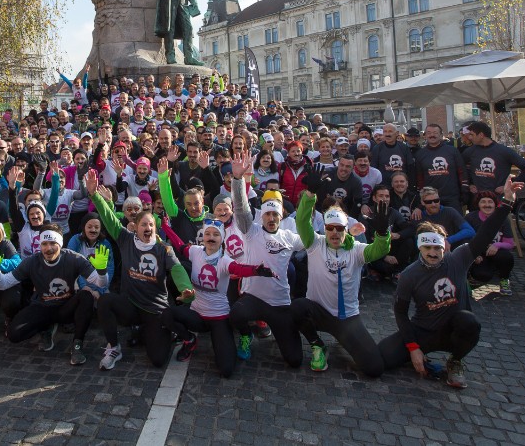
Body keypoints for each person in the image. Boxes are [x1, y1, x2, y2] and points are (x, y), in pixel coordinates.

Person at [378, 178, 525, 388]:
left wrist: (507, 202)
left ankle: (456, 361)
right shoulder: (410, 274)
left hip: (454, 330)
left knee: (469, 322)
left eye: (437, 248)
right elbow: (400, 312)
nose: (433, 253)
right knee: (381, 357)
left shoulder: (459, 258)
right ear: (419, 248)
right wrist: (413, 347)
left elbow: (486, 233)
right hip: (424, 330)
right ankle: (420, 356)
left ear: (445, 246)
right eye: (427, 248)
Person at [86, 169, 195, 371]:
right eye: (144, 224)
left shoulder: (164, 249)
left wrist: (185, 290)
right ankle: (113, 347)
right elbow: (109, 218)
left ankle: (160, 331)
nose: (148, 228)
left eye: (151, 225)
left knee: (158, 360)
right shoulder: (125, 239)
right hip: (131, 305)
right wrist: (94, 195)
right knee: (105, 301)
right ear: (135, 227)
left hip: (155, 309)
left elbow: (177, 269)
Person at [159, 211, 275, 377]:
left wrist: (257, 270)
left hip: (219, 318)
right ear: (203, 237)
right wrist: (165, 226)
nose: (211, 238)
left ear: (222, 239)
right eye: (208, 234)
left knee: (226, 369)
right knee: (166, 314)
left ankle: (232, 337)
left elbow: (239, 269)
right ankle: (189, 340)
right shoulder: (196, 251)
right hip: (197, 314)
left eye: (216, 235)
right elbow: (179, 245)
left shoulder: (225, 260)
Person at [291, 197, 391, 377]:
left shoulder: (357, 250)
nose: (334, 232)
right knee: (297, 307)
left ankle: (343, 338)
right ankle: (317, 345)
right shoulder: (315, 243)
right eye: (330, 228)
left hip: (347, 319)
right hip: (319, 313)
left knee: (374, 368)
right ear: (325, 228)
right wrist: (310, 195)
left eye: (339, 228)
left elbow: (379, 250)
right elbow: (302, 221)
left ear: (346, 229)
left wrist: (382, 234)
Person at [0, 223, 109, 366]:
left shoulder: (74, 258)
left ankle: (77, 344)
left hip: (66, 307)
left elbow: (101, 283)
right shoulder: (31, 262)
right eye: (44, 244)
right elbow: (3, 284)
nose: (48, 248)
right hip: (42, 306)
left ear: (60, 244)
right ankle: (46, 328)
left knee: (86, 296)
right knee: (13, 335)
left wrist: (102, 271)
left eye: (53, 243)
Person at [227, 152, 306, 368]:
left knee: (295, 360)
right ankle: (246, 335)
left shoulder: (289, 237)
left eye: (275, 215)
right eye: (268, 214)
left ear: (281, 216)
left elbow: (314, 243)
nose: (271, 218)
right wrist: (237, 180)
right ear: (261, 216)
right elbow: (241, 208)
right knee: (236, 313)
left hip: (279, 304)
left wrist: (345, 237)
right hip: (253, 299)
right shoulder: (251, 231)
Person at [462, 121, 525, 205]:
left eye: (472, 134)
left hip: (499, 201)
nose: (469, 137)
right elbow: (461, 169)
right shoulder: (470, 152)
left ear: (481, 135)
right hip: (477, 201)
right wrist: (469, 184)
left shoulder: (503, 151)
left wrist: (509, 185)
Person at [464, 192, 515, 295]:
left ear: (495, 204)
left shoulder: (503, 219)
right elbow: (464, 240)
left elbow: (510, 243)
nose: (487, 205)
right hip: (479, 254)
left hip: (496, 252)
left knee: (507, 257)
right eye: (483, 202)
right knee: (483, 276)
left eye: (490, 202)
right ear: (478, 204)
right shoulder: (470, 218)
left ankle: (504, 279)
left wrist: (497, 245)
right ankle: (471, 276)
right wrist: (473, 254)